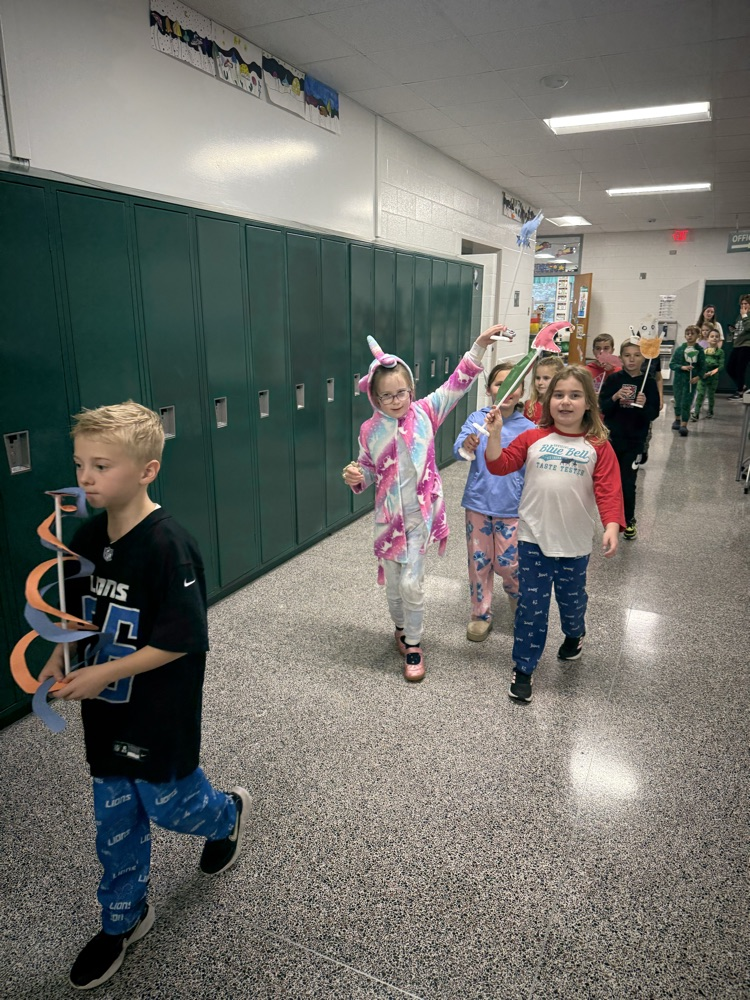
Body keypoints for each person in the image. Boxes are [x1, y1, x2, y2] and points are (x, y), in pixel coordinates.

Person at [38, 401, 251, 991]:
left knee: (167, 805)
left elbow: (184, 640)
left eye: (101, 466)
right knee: (115, 818)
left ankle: (225, 814)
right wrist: (61, 655)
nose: (85, 478)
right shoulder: (84, 535)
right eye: (81, 464)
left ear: (146, 470)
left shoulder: (168, 547)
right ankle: (122, 920)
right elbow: (77, 616)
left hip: (158, 712)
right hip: (104, 714)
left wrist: (106, 674)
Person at [343, 324, 503, 682]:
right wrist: (358, 477)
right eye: (388, 396)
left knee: (413, 584)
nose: (397, 400)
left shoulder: (426, 413)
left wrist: (478, 346)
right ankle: (400, 627)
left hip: (420, 518)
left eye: (402, 392)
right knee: (396, 587)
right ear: (374, 398)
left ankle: (414, 644)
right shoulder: (371, 430)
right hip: (388, 520)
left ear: (411, 390)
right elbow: (367, 469)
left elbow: (457, 384)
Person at [484, 367, 624, 703]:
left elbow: (608, 490)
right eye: (559, 395)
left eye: (575, 395)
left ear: (588, 403)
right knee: (532, 607)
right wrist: (494, 434)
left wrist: (612, 526)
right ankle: (524, 668)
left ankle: (575, 635)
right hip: (533, 539)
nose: (566, 402)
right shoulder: (534, 438)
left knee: (571, 603)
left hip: (573, 545)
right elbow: (498, 465)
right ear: (548, 401)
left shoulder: (597, 446)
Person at [454, 362, 535, 642]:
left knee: (509, 563)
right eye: (501, 383)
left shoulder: (529, 428)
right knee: (479, 563)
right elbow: (459, 448)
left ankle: (517, 598)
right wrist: (467, 445)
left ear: (523, 390)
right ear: (489, 389)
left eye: (515, 384)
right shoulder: (477, 419)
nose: (507, 390)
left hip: (513, 507)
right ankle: (480, 613)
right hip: (478, 503)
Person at [599, 339, 660, 540]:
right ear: (621, 357)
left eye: (636, 355)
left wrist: (643, 405)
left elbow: (653, 414)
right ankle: (608, 520)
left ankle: (629, 519)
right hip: (612, 439)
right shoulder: (614, 380)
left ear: (644, 357)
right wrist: (616, 397)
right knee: (607, 482)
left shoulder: (649, 383)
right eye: (627, 355)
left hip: (635, 441)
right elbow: (603, 408)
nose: (632, 359)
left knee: (627, 483)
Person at [670, 326, 705, 435]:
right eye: (687, 333)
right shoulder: (680, 350)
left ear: (697, 336)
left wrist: (698, 377)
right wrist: (682, 367)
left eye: (692, 334)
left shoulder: (699, 351)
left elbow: (703, 367)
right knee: (678, 400)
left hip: (690, 381)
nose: (689, 336)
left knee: (687, 402)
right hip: (678, 380)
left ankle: (684, 424)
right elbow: (672, 364)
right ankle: (677, 419)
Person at [692, 329, 725, 419]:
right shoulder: (703, 351)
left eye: (716, 337)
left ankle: (710, 410)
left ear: (719, 339)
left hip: (713, 378)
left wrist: (711, 373)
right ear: (707, 339)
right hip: (702, 377)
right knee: (700, 394)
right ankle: (696, 413)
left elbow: (721, 366)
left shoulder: (720, 352)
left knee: (711, 395)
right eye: (712, 336)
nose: (714, 338)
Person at [523, 355, 565, 423]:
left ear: (558, 379)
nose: (540, 382)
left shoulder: (562, 405)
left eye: (546, 378)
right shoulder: (530, 406)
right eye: (537, 378)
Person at [727, 294, 750, 399]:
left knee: (740, 368)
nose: (743, 306)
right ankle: (743, 387)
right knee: (730, 368)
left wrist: (745, 316)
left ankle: (740, 392)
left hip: (747, 345)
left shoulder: (746, 315)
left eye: (746, 304)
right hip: (737, 345)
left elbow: (748, 327)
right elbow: (738, 328)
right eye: (742, 304)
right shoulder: (739, 316)